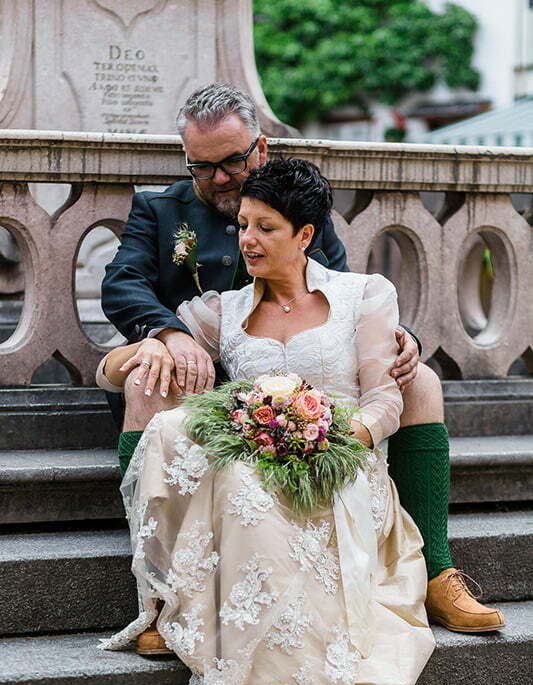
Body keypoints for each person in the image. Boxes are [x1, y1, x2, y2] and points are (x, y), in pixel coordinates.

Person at [100, 83, 504, 635]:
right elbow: (122, 287)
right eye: (203, 167)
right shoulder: (158, 208)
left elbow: (338, 290)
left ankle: (436, 571)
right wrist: (168, 334)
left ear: (260, 149)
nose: (219, 179)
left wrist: (393, 336)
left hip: (295, 391)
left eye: (232, 162)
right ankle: (163, 594)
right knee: (147, 385)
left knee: (421, 382)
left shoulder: (297, 204)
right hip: (192, 372)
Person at [97, 158, 436, 685]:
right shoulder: (220, 309)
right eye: (245, 225)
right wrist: (154, 341)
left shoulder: (364, 295)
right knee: (197, 442)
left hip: (341, 466)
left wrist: (330, 439)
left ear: (306, 235)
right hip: (256, 464)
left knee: (245, 485)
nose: (247, 240)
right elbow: (109, 369)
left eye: (266, 229)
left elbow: (386, 401)